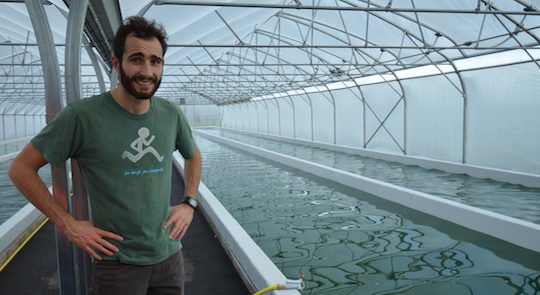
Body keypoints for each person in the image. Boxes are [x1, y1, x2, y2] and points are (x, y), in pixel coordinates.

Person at [8, 16, 202, 295]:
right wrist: (68, 224)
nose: (147, 70)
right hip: (118, 262)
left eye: (155, 61)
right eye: (136, 59)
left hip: (170, 254)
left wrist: (189, 202)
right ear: (116, 63)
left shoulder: (171, 114)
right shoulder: (83, 116)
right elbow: (20, 169)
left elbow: (193, 154)